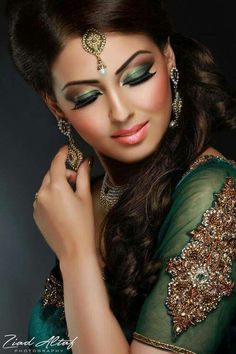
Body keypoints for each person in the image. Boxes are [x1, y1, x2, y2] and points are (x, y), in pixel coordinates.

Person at [5, 1, 236, 353]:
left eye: (138, 76)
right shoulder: (85, 202)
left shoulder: (213, 193)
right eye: (87, 96)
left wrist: (76, 254)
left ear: (168, 57)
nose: (121, 111)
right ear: (55, 106)